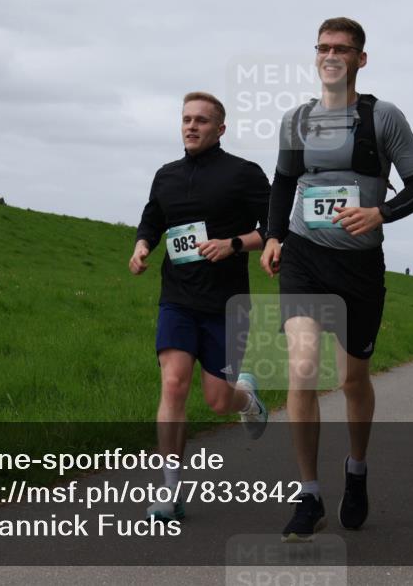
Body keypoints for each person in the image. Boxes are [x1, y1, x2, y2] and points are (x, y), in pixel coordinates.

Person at [260, 17, 413, 541]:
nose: (331, 55)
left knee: (353, 380)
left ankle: (355, 471)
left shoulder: (384, 117)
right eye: (323, 47)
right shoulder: (296, 120)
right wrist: (272, 236)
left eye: (343, 48)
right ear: (316, 56)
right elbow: (284, 182)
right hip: (305, 257)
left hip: (359, 267)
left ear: (360, 59)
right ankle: (308, 495)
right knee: (303, 365)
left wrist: (380, 214)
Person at [131, 91, 270, 522]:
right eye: (186, 119)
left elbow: (274, 228)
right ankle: (169, 494)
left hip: (227, 303)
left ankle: (246, 398)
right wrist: (141, 247)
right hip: (177, 298)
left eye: (202, 121)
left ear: (220, 128)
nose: (191, 127)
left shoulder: (244, 174)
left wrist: (233, 245)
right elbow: (153, 218)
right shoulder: (166, 175)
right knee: (173, 384)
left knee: (216, 400)